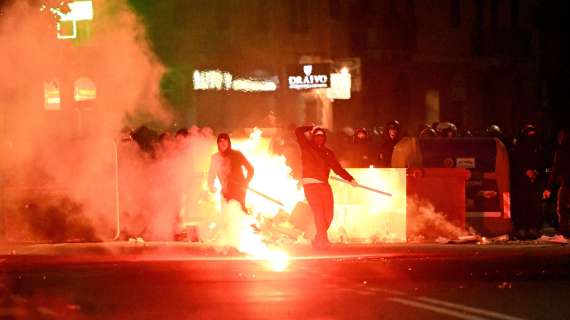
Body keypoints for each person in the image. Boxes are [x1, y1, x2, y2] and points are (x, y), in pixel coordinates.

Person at [295, 125, 358, 249]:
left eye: (322, 135)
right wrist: (312, 126)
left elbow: (337, 169)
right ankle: (323, 241)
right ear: (313, 137)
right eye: (317, 135)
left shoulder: (328, 152)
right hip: (310, 185)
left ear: (325, 138)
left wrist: (350, 179)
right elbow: (298, 131)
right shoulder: (306, 146)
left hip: (324, 185)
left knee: (328, 215)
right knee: (318, 212)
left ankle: (319, 238)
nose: (319, 137)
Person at [511, 124, 544, 239]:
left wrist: (537, 172)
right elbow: (515, 163)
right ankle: (521, 229)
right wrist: (525, 171)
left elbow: (543, 162)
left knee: (534, 206)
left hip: (534, 182)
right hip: (521, 182)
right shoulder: (518, 148)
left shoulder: (538, 147)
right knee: (522, 205)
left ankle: (532, 228)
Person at [208, 133, 254, 213]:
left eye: (225, 141)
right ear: (218, 144)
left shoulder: (237, 154)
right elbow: (211, 174)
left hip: (239, 190)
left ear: (229, 142)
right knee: (226, 213)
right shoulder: (215, 157)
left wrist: (246, 182)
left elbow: (250, 169)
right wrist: (211, 185)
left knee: (240, 212)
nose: (223, 143)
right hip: (225, 191)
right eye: (220, 141)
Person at [543, 128, 570, 237]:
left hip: (566, 184)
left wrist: (548, 188)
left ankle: (564, 232)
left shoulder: (561, 152)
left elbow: (555, 170)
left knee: (562, 209)